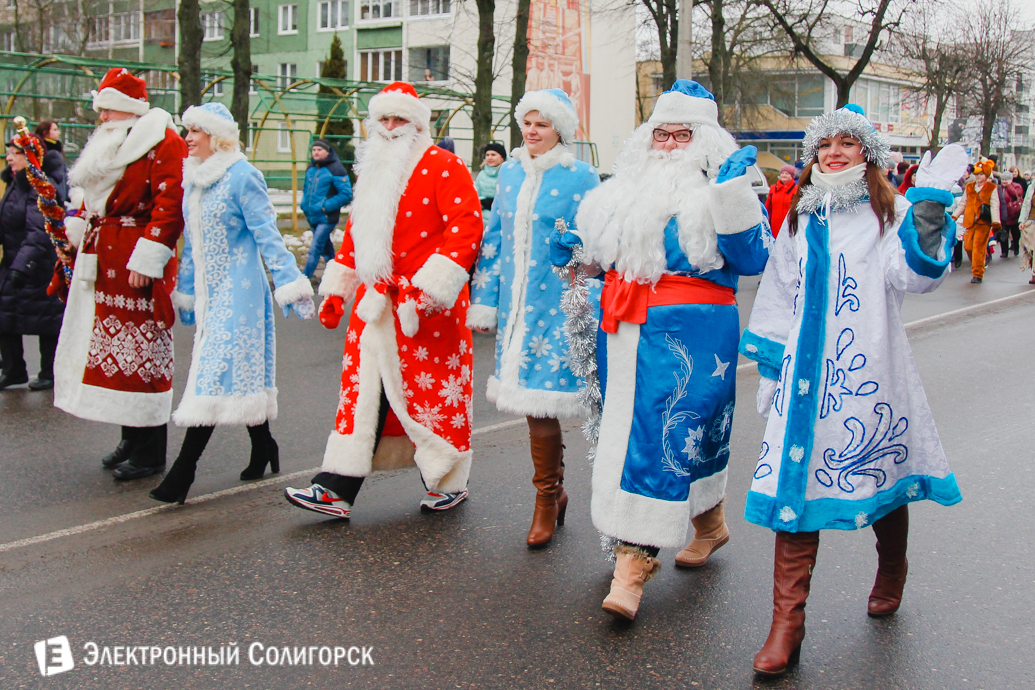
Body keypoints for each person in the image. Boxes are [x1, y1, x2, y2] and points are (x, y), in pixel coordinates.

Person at [738, 104, 966, 677]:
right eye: (825, 145)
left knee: (879, 473)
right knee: (795, 486)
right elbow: (779, 293)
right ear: (813, 156)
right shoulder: (798, 216)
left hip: (869, 370)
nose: (834, 153)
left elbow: (914, 277)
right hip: (804, 378)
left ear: (867, 153)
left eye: (847, 143)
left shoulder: (890, 214)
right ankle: (787, 623)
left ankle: (892, 567)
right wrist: (771, 369)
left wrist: (932, 212)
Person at [558, 80, 772, 620]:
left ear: (706, 139)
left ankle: (633, 565)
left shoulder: (728, 186)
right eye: (663, 133)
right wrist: (577, 257)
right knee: (648, 434)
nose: (670, 144)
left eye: (683, 134)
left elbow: (753, 260)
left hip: (692, 329)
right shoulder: (622, 193)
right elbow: (602, 261)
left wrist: (733, 196)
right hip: (624, 326)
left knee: (661, 435)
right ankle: (711, 524)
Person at [284, 82, 483, 518]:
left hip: (423, 308)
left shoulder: (444, 166)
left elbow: (466, 227)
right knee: (362, 393)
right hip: (375, 304)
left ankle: (448, 480)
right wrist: (337, 288)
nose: (390, 129)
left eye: (399, 120)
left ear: (417, 124)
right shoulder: (371, 171)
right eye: (383, 120)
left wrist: (431, 288)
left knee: (430, 397)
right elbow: (356, 236)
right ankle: (337, 486)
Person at [149, 103, 315, 504]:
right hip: (210, 292)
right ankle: (264, 445)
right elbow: (193, 246)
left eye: (195, 131)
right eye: (186, 130)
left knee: (215, 371)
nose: (187, 138)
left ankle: (182, 473)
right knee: (240, 377)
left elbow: (267, 234)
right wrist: (186, 291)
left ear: (216, 135)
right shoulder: (195, 181)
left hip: (241, 290)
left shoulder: (243, 176)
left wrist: (290, 282)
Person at [468, 88, 601, 548]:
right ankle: (551, 492)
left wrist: (584, 274)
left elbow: (597, 240)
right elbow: (495, 238)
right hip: (515, 307)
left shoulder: (581, 177)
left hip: (562, 301)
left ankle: (548, 498)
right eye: (526, 123)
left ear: (559, 129)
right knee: (530, 402)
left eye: (541, 124)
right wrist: (484, 299)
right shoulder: (507, 173)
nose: (531, 131)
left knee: (548, 397)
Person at [53, 67, 188, 481]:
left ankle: (151, 452)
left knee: (142, 354)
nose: (101, 120)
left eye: (107, 111)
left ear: (126, 110)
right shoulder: (117, 142)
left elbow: (170, 204)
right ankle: (131, 437)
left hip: (135, 264)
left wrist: (149, 259)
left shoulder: (164, 142)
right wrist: (74, 232)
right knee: (113, 353)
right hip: (106, 259)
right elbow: (91, 197)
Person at [0, 136, 65, 390]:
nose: (9, 157)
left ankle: (50, 373)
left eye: (15, 153)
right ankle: (13, 369)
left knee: (46, 319)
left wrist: (22, 265)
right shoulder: (14, 184)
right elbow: (8, 221)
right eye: (9, 152)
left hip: (38, 264)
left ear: (30, 157)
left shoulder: (41, 187)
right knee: (4, 316)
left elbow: (38, 231)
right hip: (15, 262)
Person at [300, 139, 352, 280]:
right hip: (312, 216)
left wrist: (325, 207)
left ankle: (304, 279)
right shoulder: (311, 168)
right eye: (314, 150)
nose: (316, 152)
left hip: (326, 218)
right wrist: (304, 205)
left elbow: (346, 194)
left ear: (327, 152)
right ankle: (336, 277)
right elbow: (306, 190)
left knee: (314, 249)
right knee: (327, 251)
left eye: (319, 150)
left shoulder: (336, 169)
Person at [952, 159, 1000, 283]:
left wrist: (996, 221)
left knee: (978, 247)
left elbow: (995, 204)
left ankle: (977, 274)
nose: (978, 177)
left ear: (987, 175)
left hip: (983, 222)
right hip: (969, 221)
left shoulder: (991, 187)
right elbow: (963, 203)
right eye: (977, 174)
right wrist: (955, 216)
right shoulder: (969, 187)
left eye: (981, 174)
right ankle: (981, 261)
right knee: (968, 246)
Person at [33, 120, 67, 205]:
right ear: (45, 132)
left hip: (62, 194)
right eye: (55, 130)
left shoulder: (57, 148)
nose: (58, 133)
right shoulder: (40, 151)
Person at [765, 164, 797, 236]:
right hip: (774, 226)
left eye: (787, 173)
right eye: (782, 173)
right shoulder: (773, 188)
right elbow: (767, 207)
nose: (784, 175)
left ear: (792, 176)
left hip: (789, 226)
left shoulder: (796, 190)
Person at [474, 142, 507, 212]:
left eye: (493, 155)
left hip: (500, 214)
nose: (490, 158)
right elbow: (475, 195)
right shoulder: (481, 174)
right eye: (487, 155)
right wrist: (483, 202)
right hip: (483, 214)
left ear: (502, 157)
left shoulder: (507, 174)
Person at [1000, 170, 1023, 259]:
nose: (1004, 182)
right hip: (1003, 214)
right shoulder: (999, 188)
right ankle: (1004, 251)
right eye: (1003, 180)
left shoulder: (1017, 186)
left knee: (1015, 233)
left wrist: (1009, 187)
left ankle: (1016, 247)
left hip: (1014, 214)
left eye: (1007, 180)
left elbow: (1017, 194)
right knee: (1003, 233)